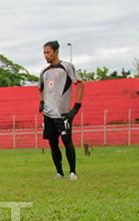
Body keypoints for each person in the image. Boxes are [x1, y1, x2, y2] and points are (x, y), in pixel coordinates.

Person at [39, 40, 84, 180]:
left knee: (67, 141)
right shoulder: (44, 72)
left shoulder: (66, 67)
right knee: (53, 144)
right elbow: (40, 89)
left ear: (56, 51)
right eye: (44, 53)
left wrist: (76, 107)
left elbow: (81, 84)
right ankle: (59, 172)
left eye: (48, 52)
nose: (46, 56)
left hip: (63, 113)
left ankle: (72, 172)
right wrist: (41, 102)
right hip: (48, 114)